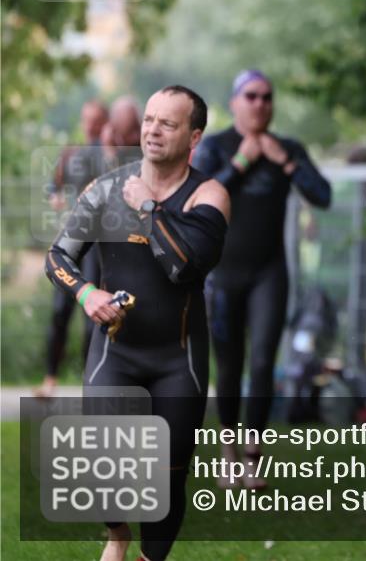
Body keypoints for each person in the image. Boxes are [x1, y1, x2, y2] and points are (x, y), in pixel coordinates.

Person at [44, 85, 230, 561]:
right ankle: (117, 534)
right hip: (117, 352)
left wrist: (148, 208)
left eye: (167, 123)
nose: (152, 129)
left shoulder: (209, 195)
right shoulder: (105, 190)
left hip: (178, 360)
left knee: (166, 478)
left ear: (193, 137)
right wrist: (85, 292)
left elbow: (185, 266)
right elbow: (58, 256)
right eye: (149, 119)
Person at [192, 69, 331, 487]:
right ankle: (228, 450)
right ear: (235, 101)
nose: (260, 104)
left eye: (267, 97)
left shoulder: (285, 148)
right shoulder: (216, 147)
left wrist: (284, 161)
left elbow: (321, 195)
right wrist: (242, 161)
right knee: (230, 366)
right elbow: (196, 196)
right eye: (251, 96)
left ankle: (253, 453)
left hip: (270, 272)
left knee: (263, 361)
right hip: (223, 272)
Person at [36, 99, 108, 398]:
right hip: (73, 242)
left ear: (105, 123)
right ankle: (50, 379)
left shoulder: (110, 155)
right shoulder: (71, 154)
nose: (90, 124)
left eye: (96, 120)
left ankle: (89, 381)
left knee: (90, 314)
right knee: (59, 312)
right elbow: (52, 186)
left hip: (98, 246)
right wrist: (55, 197)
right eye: (86, 118)